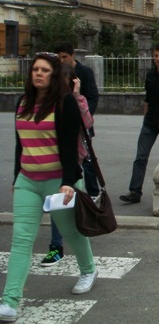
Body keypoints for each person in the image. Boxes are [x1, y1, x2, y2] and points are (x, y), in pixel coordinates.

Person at [0, 53, 98, 323]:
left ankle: (88, 269)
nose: (39, 73)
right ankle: (9, 302)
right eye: (35, 69)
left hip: (58, 181)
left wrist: (68, 182)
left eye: (45, 70)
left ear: (54, 75)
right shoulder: (23, 103)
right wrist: (16, 178)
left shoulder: (65, 102)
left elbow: (68, 145)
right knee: (21, 239)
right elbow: (21, 145)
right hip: (28, 181)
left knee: (70, 231)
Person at [40, 42, 100, 267]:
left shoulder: (74, 99)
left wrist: (77, 96)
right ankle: (57, 246)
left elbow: (87, 122)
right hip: (47, 164)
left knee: (68, 208)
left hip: (72, 163)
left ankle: (83, 256)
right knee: (57, 208)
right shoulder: (45, 101)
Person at [120, 43, 159, 203]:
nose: (158, 58)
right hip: (150, 123)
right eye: (156, 55)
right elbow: (147, 99)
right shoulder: (150, 75)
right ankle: (135, 192)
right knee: (140, 157)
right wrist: (145, 117)